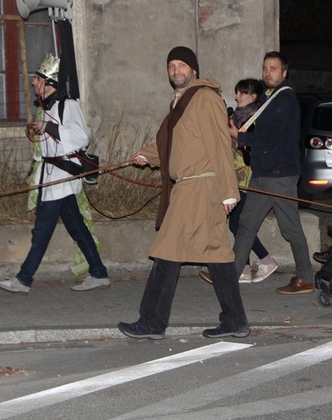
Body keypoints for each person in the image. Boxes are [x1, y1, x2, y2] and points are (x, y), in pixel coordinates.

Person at [118, 46, 249, 340]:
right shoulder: (181, 101)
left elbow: (219, 144)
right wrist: (149, 156)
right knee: (216, 253)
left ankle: (152, 322)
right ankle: (235, 321)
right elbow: (179, 145)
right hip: (192, 186)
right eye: (171, 66)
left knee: (167, 250)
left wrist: (229, 191)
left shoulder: (204, 98)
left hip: (201, 186)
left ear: (194, 69)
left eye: (182, 65)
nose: (176, 70)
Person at [0, 54, 110, 294]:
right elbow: (43, 149)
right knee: (77, 227)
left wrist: (49, 127)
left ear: (50, 84)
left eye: (38, 79)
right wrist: (31, 172)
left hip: (62, 178)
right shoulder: (47, 108)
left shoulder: (68, 105)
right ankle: (99, 272)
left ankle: (23, 280)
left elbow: (80, 136)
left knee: (42, 231)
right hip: (52, 178)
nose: (34, 83)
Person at [228, 51, 314, 295]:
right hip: (263, 174)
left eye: (273, 68)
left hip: (281, 176)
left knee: (290, 229)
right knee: (246, 225)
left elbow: (271, 137)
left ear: (284, 73)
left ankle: (306, 278)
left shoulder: (285, 99)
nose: (268, 72)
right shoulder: (269, 97)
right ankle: (231, 276)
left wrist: (239, 136)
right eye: (265, 68)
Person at [199, 79, 278, 283]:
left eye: (243, 93)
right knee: (239, 223)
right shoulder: (236, 117)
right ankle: (245, 268)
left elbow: (254, 149)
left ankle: (265, 261)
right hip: (234, 178)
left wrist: (236, 136)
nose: (237, 96)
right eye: (236, 92)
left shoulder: (256, 119)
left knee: (238, 224)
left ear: (254, 97)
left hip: (249, 179)